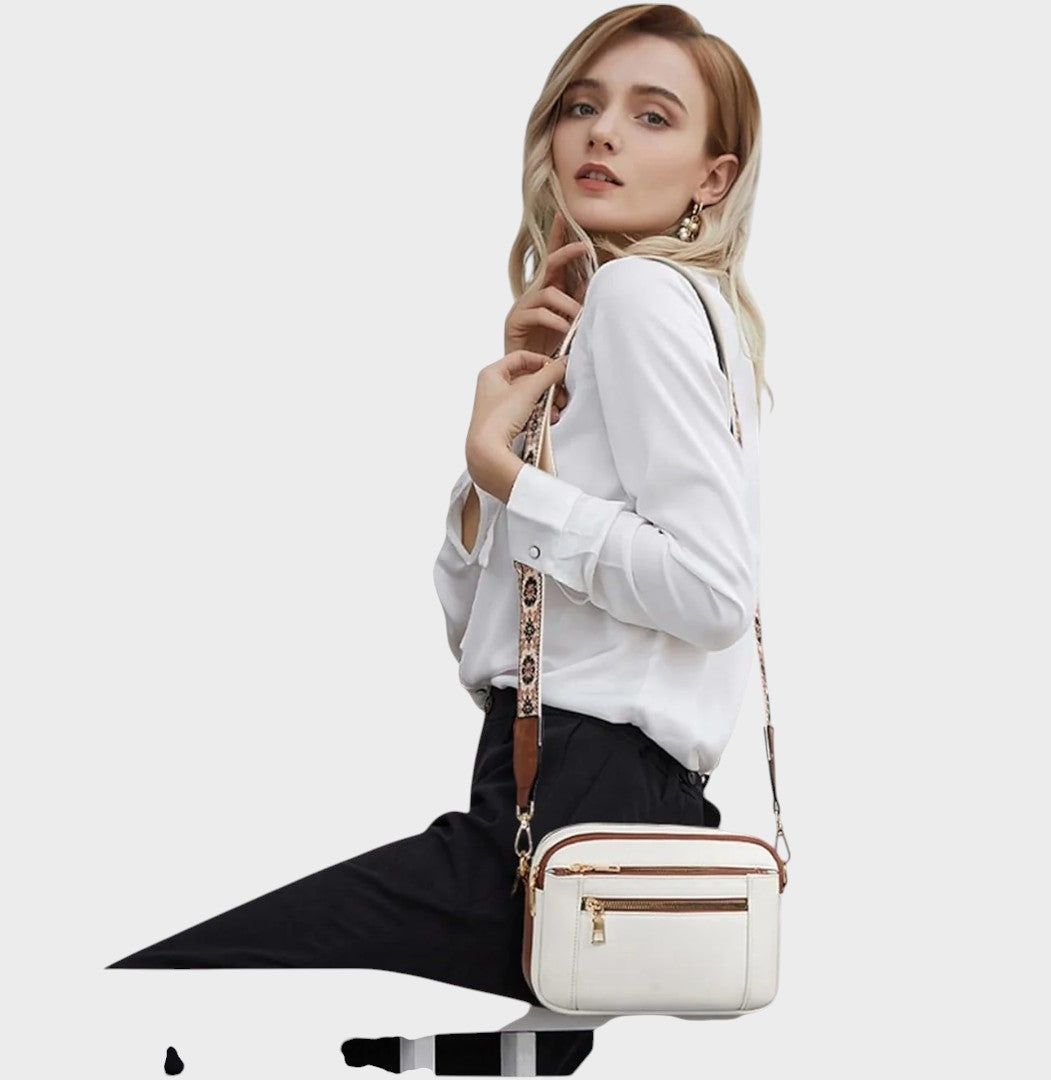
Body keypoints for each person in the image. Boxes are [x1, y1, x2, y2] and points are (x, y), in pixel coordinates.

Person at [105, 3, 772, 1017]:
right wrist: (512, 437)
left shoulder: (640, 296)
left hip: (575, 802)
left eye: (652, 116)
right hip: (566, 798)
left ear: (712, 179)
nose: (602, 132)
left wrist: (510, 478)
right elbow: (479, 637)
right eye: (582, 106)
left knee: (157, 1001)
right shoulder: (649, 317)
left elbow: (714, 594)